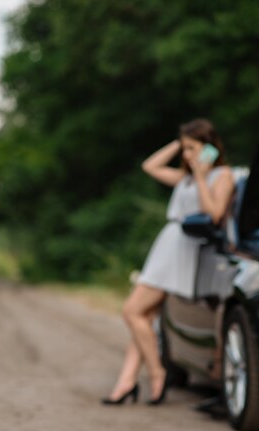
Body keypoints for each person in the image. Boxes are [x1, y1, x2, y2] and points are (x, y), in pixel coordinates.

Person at [102, 118, 235, 405]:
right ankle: (126, 383)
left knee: (132, 311)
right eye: (184, 149)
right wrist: (180, 142)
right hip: (167, 244)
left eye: (192, 148)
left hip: (184, 247)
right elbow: (149, 166)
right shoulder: (183, 177)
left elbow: (213, 214)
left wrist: (202, 174)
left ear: (209, 148)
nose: (186, 155)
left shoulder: (221, 175)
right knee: (146, 318)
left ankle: (157, 372)